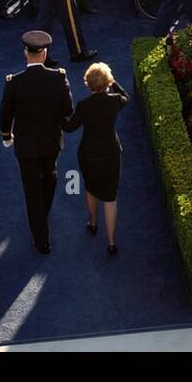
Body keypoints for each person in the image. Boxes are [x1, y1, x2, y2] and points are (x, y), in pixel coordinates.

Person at [0, 31, 74, 255]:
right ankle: (43, 219)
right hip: (51, 142)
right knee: (50, 178)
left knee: (32, 191)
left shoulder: (14, 82)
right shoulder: (59, 77)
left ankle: (41, 238)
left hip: (26, 146)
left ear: (26, 53)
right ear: (44, 53)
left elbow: (5, 114)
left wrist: (6, 136)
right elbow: (68, 110)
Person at [64, 62, 129, 256]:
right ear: (108, 82)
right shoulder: (115, 100)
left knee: (91, 188)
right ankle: (111, 242)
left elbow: (68, 128)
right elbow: (127, 96)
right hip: (110, 153)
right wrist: (114, 83)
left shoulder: (84, 106)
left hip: (88, 154)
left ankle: (92, 223)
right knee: (110, 198)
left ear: (88, 84)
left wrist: (56, 114)